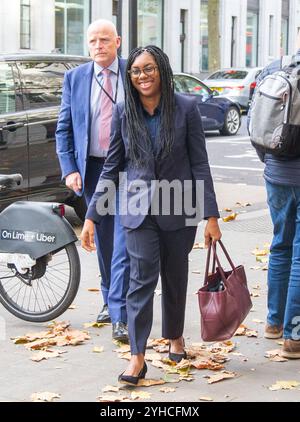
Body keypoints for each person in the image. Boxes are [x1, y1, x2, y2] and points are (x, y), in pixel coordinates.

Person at [81, 45, 221, 384]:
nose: (142, 75)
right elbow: (113, 166)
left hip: (179, 207)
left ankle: (175, 336)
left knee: (175, 278)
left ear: (162, 69)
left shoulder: (185, 108)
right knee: (140, 282)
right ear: (130, 77)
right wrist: (91, 216)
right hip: (138, 210)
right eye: (136, 71)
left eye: (149, 68)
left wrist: (211, 216)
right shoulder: (122, 110)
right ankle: (137, 356)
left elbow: (199, 163)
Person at [56, 19, 130, 342]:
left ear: (118, 41)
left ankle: (121, 308)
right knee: (103, 237)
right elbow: (64, 129)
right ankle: (108, 299)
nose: (98, 46)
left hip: (132, 169)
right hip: (94, 170)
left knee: (128, 237)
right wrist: (70, 168)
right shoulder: (75, 79)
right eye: (92, 41)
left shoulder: (134, 72)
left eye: (104, 40)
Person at [249, 44, 300, 358]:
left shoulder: (274, 66)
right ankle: (294, 336)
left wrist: (269, 162)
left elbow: (254, 126)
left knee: (281, 243)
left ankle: (273, 323)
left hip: (276, 174)